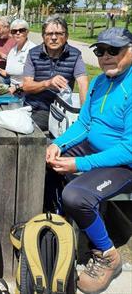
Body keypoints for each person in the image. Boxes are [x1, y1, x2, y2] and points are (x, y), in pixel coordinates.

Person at [45, 27, 132, 294]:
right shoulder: (98, 83)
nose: (106, 56)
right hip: (95, 150)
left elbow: (129, 149)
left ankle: (108, 254)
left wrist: (80, 164)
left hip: (124, 164)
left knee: (76, 196)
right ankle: (56, 227)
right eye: (100, 51)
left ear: (130, 51)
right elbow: (84, 124)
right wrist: (57, 144)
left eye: (113, 50)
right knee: (45, 165)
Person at [22, 15, 88, 131]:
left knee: (23, 126)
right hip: (29, 106)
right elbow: (26, 86)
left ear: (66, 36)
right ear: (43, 36)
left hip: (55, 110)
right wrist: (47, 83)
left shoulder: (75, 55)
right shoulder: (33, 54)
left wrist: (84, 115)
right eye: (49, 34)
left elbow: (83, 84)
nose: (53, 38)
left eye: (59, 34)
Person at [0, 19, 36, 88]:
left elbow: (36, 79)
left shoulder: (33, 50)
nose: (17, 33)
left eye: (21, 30)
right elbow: (8, 73)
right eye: (14, 31)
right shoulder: (13, 50)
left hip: (25, 92)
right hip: (12, 88)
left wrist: (16, 88)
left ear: (27, 32)